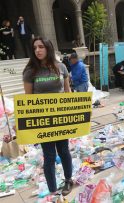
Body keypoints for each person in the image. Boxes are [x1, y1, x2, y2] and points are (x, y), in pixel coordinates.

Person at [23, 37, 74, 196]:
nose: (37, 50)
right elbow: (28, 99)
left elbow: (68, 93)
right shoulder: (30, 71)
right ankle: (53, 190)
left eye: (41, 47)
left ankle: (68, 180)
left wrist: (75, 113)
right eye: (35, 47)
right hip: (43, 120)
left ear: (48, 48)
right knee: (49, 156)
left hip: (61, 118)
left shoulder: (61, 67)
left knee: (64, 151)